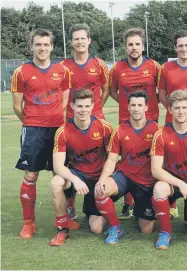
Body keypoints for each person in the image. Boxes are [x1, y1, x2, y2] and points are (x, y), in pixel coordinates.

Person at [11, 29, 71, 239]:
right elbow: (17, 106)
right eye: (38, 45)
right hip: (33, 130)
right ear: (32, 47)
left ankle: (64, 219)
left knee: (61, 175)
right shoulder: (21, 72)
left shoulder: (62, 71)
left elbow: (64, 102)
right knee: (31, 175)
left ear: (52, 47)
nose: (42, 48)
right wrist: (31, 121)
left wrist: (53, 119)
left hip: (57, 129)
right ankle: (29, 223)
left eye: (46, 45)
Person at [94, 91, 161, 245]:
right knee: (101, 191)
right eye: (133, 105)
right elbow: (111, 159)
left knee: (147, 230)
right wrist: (103, 179)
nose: (136, 108)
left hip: (146, 181)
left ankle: (141, 206)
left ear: (146, 107)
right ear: (128, 107)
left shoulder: (157, 130)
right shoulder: (120, 130)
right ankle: (116, 227)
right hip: (125, 176)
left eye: (139, 105)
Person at [108, 28, 162, 219]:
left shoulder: (154, 66)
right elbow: (114, 92)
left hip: (151, 121)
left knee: (150, 162)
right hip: (126, 121)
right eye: (130, 44)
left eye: (137, 44)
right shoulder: (116, 69)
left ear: (143, 45)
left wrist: (148, 107)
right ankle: (127, 203)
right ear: (125, 47)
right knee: (127, 162)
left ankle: (156, 200)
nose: (134, 47)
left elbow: (160, 92)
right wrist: (128, 106)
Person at [49, 89, 112, 246]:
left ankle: (100, 209)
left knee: (96, 229)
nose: (83, 110)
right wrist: (75, 179)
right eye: (79, 106)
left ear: (92, 106)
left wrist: (104, 179)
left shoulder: (104, 128)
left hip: (98, 178)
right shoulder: (63, 131)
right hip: (77, 174)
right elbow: (57, 166)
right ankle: (62, 228)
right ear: (72, 106)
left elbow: (112, 159)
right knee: (56, 182)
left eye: (86, 106)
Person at [150, 89, 187, 250]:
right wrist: (181, 184)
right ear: (170, 109)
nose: (181, 111)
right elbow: (156, 170)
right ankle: (165, 233)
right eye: (177, 108)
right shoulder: (161, 134)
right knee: (159, 188)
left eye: (184, 107)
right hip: (175, 184)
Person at [61, 23, 110, 220]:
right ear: (71, 42)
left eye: (83, 38)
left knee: (102, 160)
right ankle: (70, 205)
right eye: (76, 39)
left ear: (89, 40)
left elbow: (106, 90)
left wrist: (95, 109)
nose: (80, 42)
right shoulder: (63, 67)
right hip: (70, 123)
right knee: (69, 163)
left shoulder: (99, 64)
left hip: (96, 120)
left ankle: (100, 199)